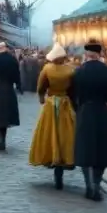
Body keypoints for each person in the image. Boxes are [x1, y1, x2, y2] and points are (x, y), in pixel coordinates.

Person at [72, 41, 107, 201]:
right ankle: (97, 182)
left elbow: (72, 96)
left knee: (85, 150)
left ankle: (89, 185)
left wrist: (78, 110)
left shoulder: (79, 72)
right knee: (102, 151)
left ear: (87, 54)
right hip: (102, 112)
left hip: (85, 112)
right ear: (100, 54)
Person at [28, 43, 76, 189]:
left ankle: (51, 158)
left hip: (51, 105)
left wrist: (42, 98)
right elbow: (73, 89)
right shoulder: (70, 70)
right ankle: (63, 161)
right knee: (65, 135)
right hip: (65, 104)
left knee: (49, 133)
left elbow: (40, 87)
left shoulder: (47, 69)